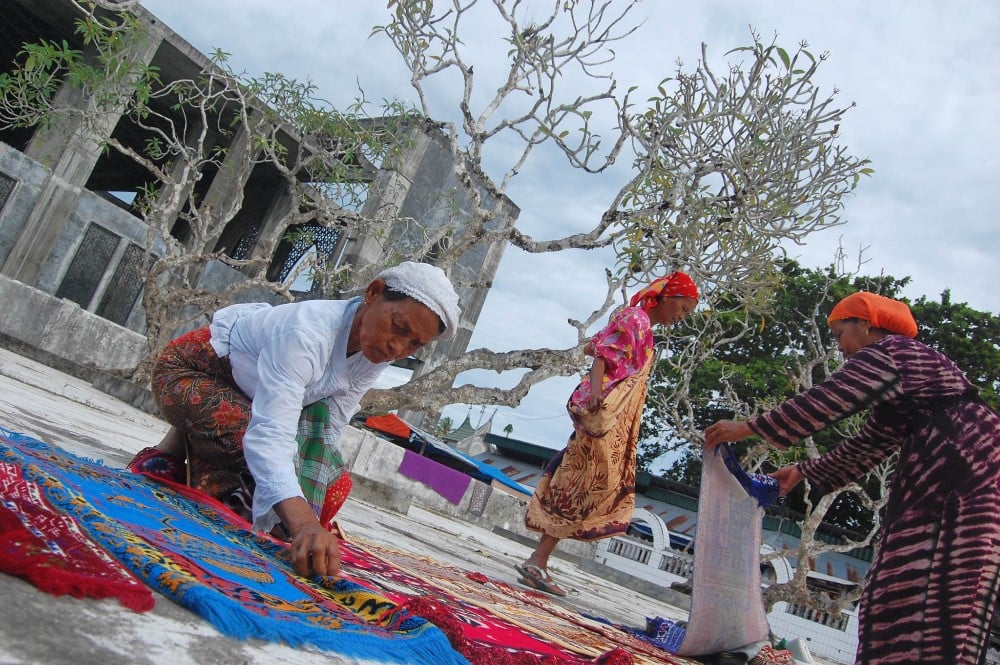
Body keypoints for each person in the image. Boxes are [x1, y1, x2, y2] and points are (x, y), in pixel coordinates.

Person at [704, 291, 1000, 665]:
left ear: (866, 325)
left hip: (957, 475)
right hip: (964, 471)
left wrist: (746, 428)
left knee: (928, 578)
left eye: (841, 335)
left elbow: (828, 400)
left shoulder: (894, 352)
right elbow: (873, 442)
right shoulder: (908, 373)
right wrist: (802, 470)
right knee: (944, 581)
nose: (840, 349)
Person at [128, 261, 460, 579]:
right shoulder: (307, 332)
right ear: (373, 292)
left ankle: (185, 446)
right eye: (399, 328)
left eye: (414, 344)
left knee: (334, 483)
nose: (397, 347)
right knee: (251, 445)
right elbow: (270, 431)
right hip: (192, 374)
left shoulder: (374, 353)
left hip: (251, 398)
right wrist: (302, 524)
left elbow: (329, 424)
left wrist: (311, 495)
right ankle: (175, 454)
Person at [517, 271, 699, 596]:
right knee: (588, 484)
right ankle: (538, 560)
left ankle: (538, 560)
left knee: (584, 484)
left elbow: (601, 349)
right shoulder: (635, 319)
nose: (682, 317)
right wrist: (598, 396)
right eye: (683, 309)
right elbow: (600, 355)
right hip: (600, 419)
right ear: (670, 298)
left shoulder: (643, 327)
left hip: (612, 423)